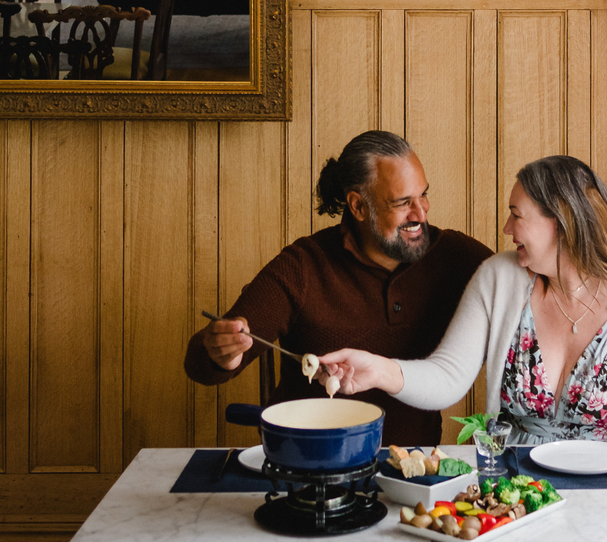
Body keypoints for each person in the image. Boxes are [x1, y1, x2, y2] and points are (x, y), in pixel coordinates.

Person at [317, 155, 607, 486]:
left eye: (517, 215)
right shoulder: (499, 278)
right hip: (513, 490)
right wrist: (378, 369)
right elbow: (447, 375)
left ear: (563, 221)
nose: (505, 228)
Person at [183, 131, 494, 446]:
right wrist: (221, 354)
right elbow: (199, 363)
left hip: (415, 470)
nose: (421, 213)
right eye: (403, 203)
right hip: (308, 463)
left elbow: (525, 293)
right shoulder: (304, 266)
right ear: (358, 206)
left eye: (423, 195)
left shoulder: (455, 256)